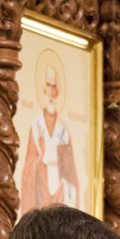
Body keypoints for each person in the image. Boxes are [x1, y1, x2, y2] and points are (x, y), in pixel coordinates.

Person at [21, 58, 80, 213]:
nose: (51, 92)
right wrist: (39, 161)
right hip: (40, 190)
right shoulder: (36, 126)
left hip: (60, 194)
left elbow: (71, 174)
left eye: (54, 86)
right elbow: (27, 169)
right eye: (48, 85)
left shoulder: (64, 131)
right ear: (43, 89)